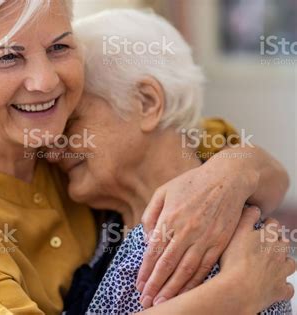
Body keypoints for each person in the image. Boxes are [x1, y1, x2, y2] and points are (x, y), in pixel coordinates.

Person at [0, 1, 291, 314]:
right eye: (7, 56)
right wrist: (234, 296)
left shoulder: (56, 147)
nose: (45, 81)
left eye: (60, 47)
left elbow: (234, 159)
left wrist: (236, 171)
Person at [57, 9, 294, 314]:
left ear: (147, 102)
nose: (52, 149)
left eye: (71, 122)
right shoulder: (111, 223)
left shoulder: (225, 245)